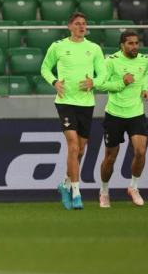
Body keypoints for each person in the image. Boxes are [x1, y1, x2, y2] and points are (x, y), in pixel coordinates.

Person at [40, 12, 107, 210]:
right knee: (73, 146)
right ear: (69, 26)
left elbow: (103, 73)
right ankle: (76, 193)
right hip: (65, 102)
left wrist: (93, 81)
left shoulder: (94, 48)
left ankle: (65, 184)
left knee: (81, 150)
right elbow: (44, 68)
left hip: (86, 103)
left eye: (84, 24)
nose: (81, 27)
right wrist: (54, 82)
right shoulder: (58, 46)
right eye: (77, 24)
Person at [96, 30, 148, 208]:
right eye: (130, 43)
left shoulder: (144, 59)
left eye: (136, 43)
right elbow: (101, 84)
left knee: (140, 152)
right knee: (110, 158)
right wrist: (122, 83)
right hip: (115, 114)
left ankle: (133, 187)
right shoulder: (111, 61)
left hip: (136, 113)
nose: (134, 46)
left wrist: (144, 88)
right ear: (122, 45)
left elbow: (144, 76)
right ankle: (104, 192)